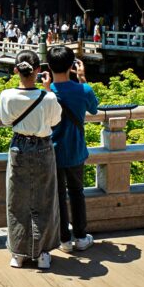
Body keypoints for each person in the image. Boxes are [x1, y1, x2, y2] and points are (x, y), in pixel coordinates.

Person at [0, 50, 62, 269]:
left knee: (17, 200)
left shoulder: (7, 95)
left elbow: (6, 121)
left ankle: (18, 253)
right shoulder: (49, 97)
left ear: (16, 70)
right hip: (44, 147)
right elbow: (55, 120)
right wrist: (46, 90)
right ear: (38, 71)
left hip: (19, 146)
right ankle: (43, 253)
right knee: (45, 199)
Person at [45, 46, 99, 253]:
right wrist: (83, 78)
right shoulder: (83, 90)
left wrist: (47, 88)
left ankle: (64, 239)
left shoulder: (46, 94)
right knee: (77, 192)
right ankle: (81, 236)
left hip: (53, 151)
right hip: (76, 149)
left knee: (58, 195)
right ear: (72, 66)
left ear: (48, 67)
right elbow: (93, 109)